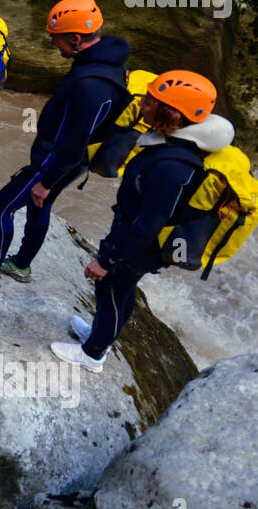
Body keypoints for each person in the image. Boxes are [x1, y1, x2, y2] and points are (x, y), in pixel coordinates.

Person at [52, 71, 233, 371]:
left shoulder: (174, 166)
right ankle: (100, 335)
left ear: (172, 114)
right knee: (121, 290)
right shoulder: (174, 146)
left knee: (110, 288)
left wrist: (107, 258)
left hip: (139, 244)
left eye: (151, 102)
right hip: (136, 237)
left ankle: (93, 354)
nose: (143, 105)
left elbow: (150, 222)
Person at [0, 0, 130, 291]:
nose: (51, 42)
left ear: (75, 38)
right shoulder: (104, 64)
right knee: (39, 206)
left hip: (55, 160)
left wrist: (46, 179)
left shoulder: (93, 83)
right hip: (68, 160)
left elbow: (75, 138)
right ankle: (21, 265)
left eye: (55, 37)